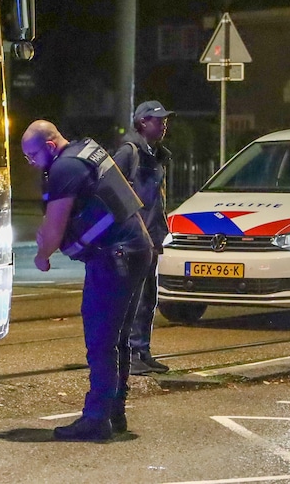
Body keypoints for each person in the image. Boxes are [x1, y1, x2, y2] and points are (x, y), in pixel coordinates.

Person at [21, 120, 153, 441]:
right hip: (136, 248)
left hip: (115, 256)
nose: (33, 164)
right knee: (117, 337)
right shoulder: (86, 150)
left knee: (100, 341)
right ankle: (114, 413)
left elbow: (53, 230)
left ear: (50, 146)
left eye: (32, 156)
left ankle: (96, 420)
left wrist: (42, 256)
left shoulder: (65, 167)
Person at [113, 100, 174, 376]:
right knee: (134, 300)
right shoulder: (130, 152)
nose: (163, 125)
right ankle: (130, 354)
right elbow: (112, 190)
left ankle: (142, 351)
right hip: (135, 240)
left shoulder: (157, 154)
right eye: (157, 120)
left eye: (164, 120)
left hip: (152, 238)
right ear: (142, 123)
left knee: (148, 298)